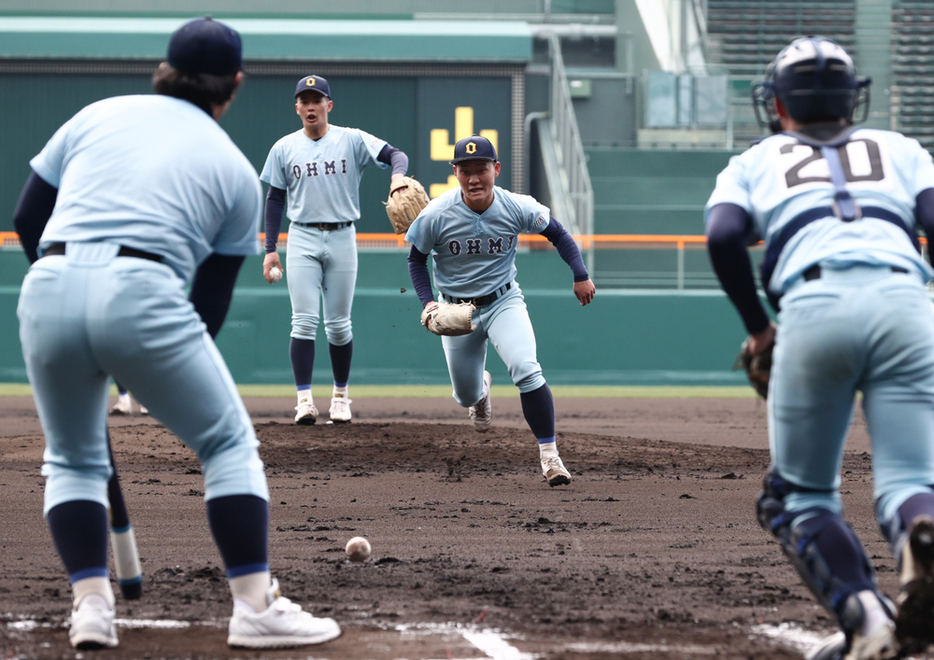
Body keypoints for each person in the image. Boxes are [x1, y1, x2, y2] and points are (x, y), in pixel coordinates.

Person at [13, 17, 340, 651]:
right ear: (235, 85)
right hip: (143, 292)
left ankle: (90, 607)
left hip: (48, 283)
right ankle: (254, 605)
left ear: (163, 68)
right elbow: (207, 311)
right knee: (226, 445)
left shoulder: (97, 113)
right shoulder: (233, 167)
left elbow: (29, 217)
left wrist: (77, 315)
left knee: (73, 461)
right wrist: (133, 358)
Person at [706, 37, 934, 660]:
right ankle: (919, 539)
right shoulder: (900, 148)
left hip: (814, 307)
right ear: (851, 99)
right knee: (912, 479)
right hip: (908, 305)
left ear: (778, 104)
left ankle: (868, 623)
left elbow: (723, 234)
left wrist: (758, 325)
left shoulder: (757, 157)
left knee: (799, 497)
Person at [405, 135, 595, 487]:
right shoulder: (436, 213)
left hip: (503, 301)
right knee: (465, 395)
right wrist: (428, 303)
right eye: (466, 170)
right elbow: (416, 259)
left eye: (481, 169)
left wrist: (580, 274)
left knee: (526, 369)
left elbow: (559, 234)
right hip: (455, 310)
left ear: (496, 169)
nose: (474, 178)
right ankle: (480, 393)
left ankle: (550, 457)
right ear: (455, 172)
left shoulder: (515, 206)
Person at [260, 74, 411, 425]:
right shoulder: (284, 147)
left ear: (329, 105)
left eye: (317, 100)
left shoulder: (351, 139)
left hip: (343, 236)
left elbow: (395, 155)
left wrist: (397, 177)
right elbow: (274, 199)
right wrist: (270, 248)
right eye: (305, 100)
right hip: (301, 237)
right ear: (297, 107)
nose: (311, 106)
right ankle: (304, 401)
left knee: (339, 326)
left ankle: (341, 397)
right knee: (304, 321)